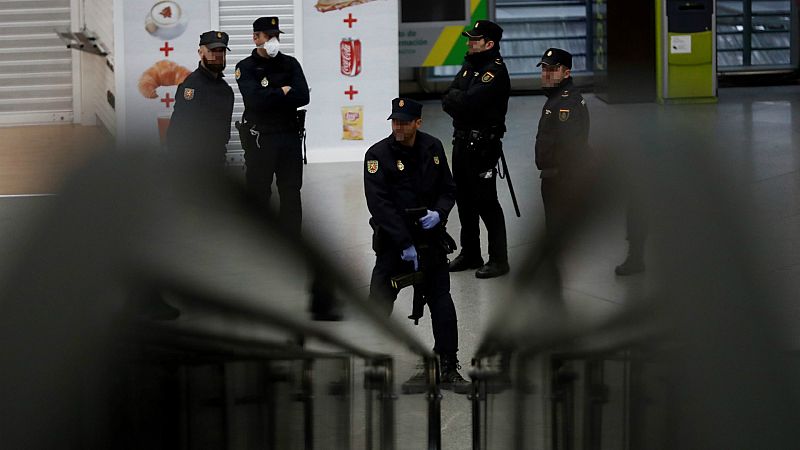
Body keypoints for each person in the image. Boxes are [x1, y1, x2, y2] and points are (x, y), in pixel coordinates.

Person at [364, 98, 469, 394]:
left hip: (430, 239)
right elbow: (379, 205)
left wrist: (440, 213)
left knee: (442, 301)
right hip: (395, 243)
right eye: (395, 121)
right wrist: (404, 242)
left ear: (417, 123)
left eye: (404, 122)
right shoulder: (377, 155)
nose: (398, 127)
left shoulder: (433, 148)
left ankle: (447, 364)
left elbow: (448, 189)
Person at [442, 19, 511, 279]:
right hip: (461, 142)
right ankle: (471, 252)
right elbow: (448, 97)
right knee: (463, 200)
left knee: (486, 203)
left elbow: (467, 102)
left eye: (474, 40)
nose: (469, 43)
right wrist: (458, 99)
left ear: (489, 44)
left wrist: (458, 99)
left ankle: (499, 259)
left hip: (483, 146)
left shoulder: (494, 71)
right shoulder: (471, 65)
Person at [235, 16, 310, 236]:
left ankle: (291, 239)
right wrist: (283, 91)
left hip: (288, 136)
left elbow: (303, 96)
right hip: (261, 139)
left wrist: (270, 95)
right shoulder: (245, 67)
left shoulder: (290, 63)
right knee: (259, 192)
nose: (273, 41)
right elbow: (255, 101)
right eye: (268, 36)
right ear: (255, 38)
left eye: (276, 36)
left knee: (291, 191)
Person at [534, 48, 591, 238]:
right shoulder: (557, 97)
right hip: (554, 175)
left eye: (552, 70)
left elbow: (572, 145)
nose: (546, 75)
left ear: (567, 72)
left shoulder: (566, 103)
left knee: (558, 233)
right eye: (543, 70)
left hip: (560, 179)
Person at [166, 30, 234, 169]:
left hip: (216, 161)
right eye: (213, 51)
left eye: (222, 51)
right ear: (201, 53)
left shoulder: (225, 90)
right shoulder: (192, 86)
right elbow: (179, 130)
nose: (218, 55)